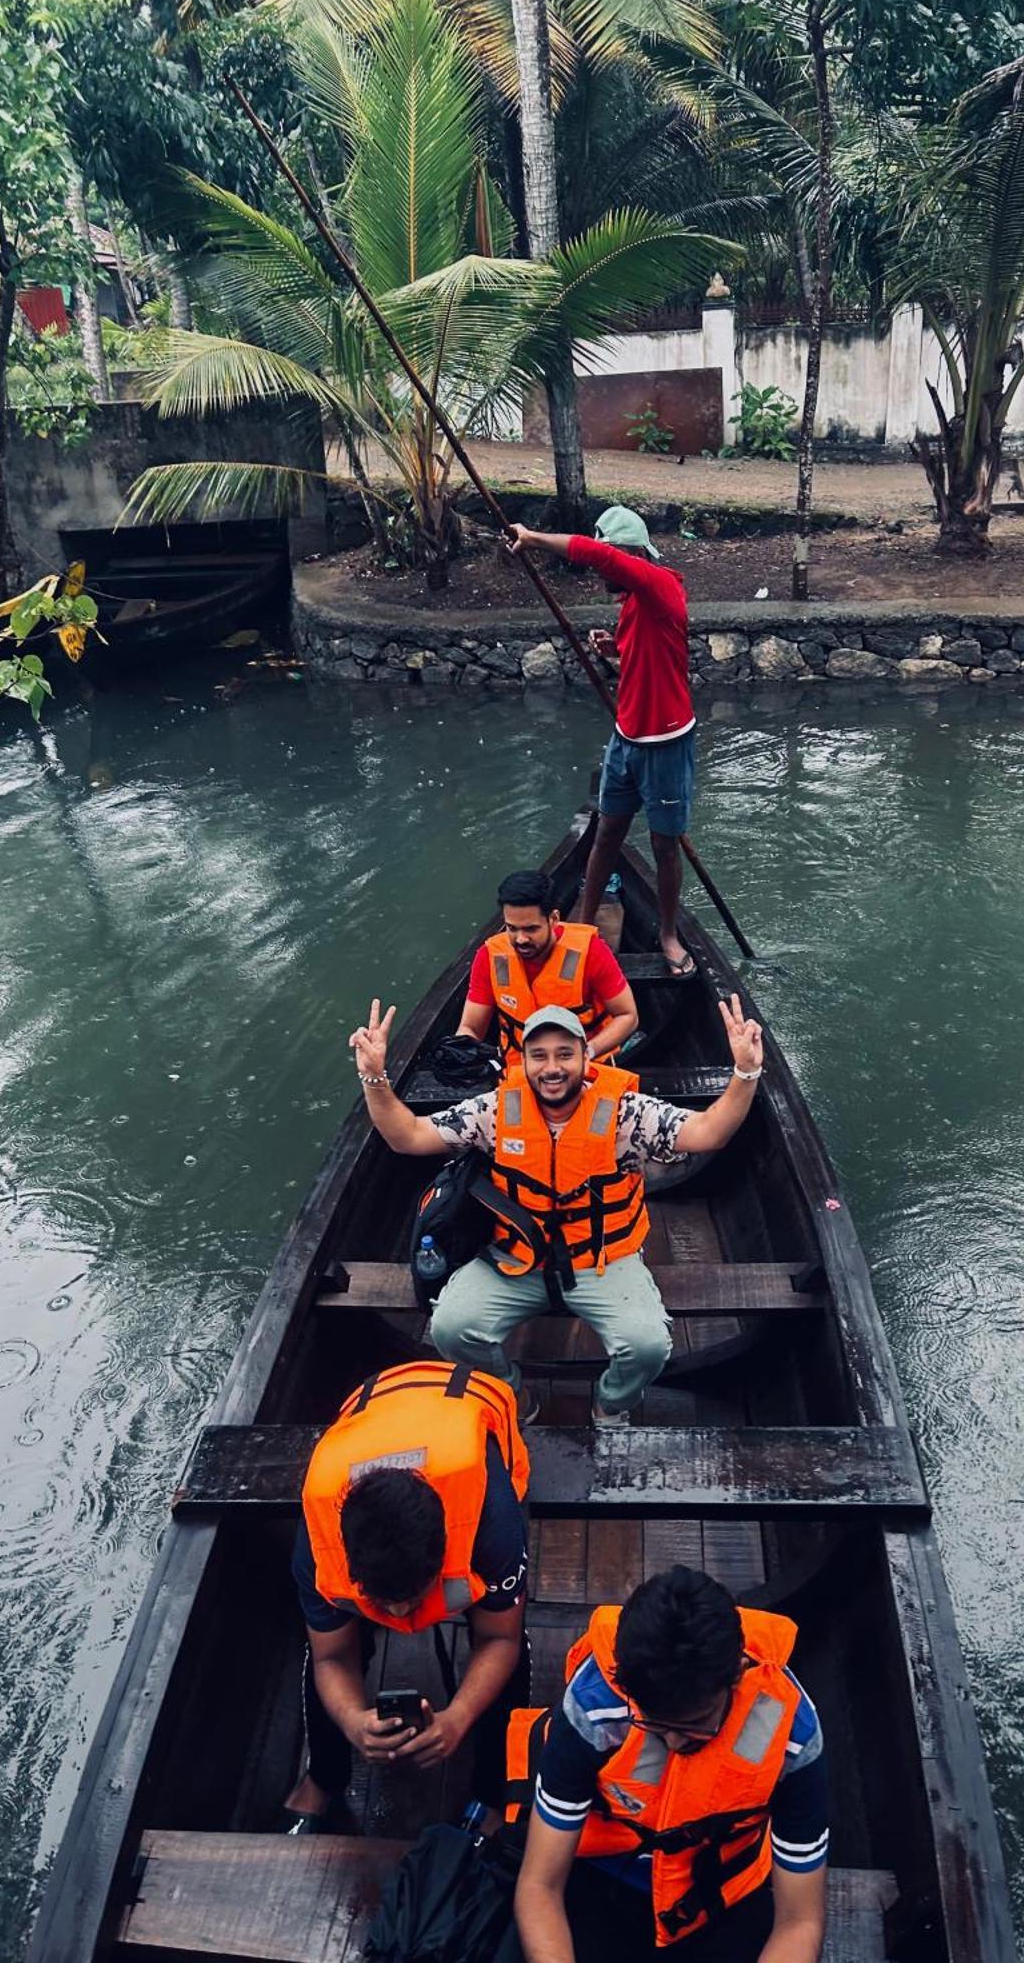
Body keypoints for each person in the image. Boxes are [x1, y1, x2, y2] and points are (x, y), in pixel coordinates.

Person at [347, 993, 765, 1426]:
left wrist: (746, 1072)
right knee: (450, 1328)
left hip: (602, 1258)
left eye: (565, 1054)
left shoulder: (626, 1112)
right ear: (523, 1061)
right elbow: (409, 1137)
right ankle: (512, 1396)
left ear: (587, 1057)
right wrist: (375, 1079)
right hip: (516, 1257)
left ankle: (611, 1403)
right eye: (539, 1055)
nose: (552, 1068)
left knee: (647, 1346)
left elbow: (707, 1132)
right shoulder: (494, 1110)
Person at [508, 1567, 829, 1963]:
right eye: (656, 1726)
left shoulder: (793, 1735)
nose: (675, 1743)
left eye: (695, 1725)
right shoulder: (593, 1707)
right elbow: (540, 1885)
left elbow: (799, 1923)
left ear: (735, 1678)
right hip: (604, 1879)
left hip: (721, 1895)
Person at [285, 1358, 531, 1832]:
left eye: (412, 1597)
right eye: (381, 1602)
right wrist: (353, 1720)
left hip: (468, 1399)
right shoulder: (317, 1546)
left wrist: (458, 1716)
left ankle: (495, 1792)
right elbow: (331, 1656)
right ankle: (324, 1775)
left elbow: (499, 1638)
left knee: (515, 1650)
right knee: (319, 1644)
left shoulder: (490, 1523)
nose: (399, 1615)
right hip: (376, 1405)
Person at [508, 507, 696, 976]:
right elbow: (644, 657)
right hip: (625, 740)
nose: (600, 577)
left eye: (608, 564)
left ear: (630, 554)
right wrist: (614, 650)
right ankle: (584, 923)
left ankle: (668, 934)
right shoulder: (634, 603)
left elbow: (595, 554)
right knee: (607, 831)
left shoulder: (660, 586)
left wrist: (532, 537)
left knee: (664, 844)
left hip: (667, 743)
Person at [458, 867, 638, 1066]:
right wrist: (462, 1051)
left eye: (531, 928)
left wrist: (587, 1052)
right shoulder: (489, 956)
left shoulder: (591, 952)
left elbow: (627, 1016)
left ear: (553, 919)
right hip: (518, 1072)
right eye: (512, 928)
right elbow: (471, 1028)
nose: (520, 939)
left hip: (585, 1069)